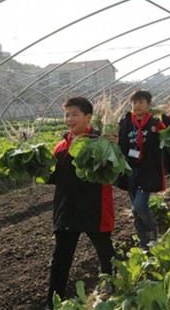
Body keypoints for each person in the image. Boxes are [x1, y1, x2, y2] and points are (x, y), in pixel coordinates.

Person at [46, 96, 115, 308]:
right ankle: (53, 302)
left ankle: (110, 283)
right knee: (61, 258)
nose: (69, 119)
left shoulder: (100, 142)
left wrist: (114, 147)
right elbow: (52, 179)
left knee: (104, 250)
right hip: (67, 208)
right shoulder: (60, 147)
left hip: (95, 206)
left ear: (88, 117)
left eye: (74, 114)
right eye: (66, 115)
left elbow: (114, 171)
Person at [117, 90, 166, 251]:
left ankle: (152, 227)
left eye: (140, 102)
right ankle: (143, 243)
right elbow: (119, 142)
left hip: (147, 170)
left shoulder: (154, 123)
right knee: (135, 210)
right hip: (130, 169)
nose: (137, 106)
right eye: (134, 103)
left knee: (138, 206)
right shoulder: (125, 122)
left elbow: (165, 142)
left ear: (148, 104)